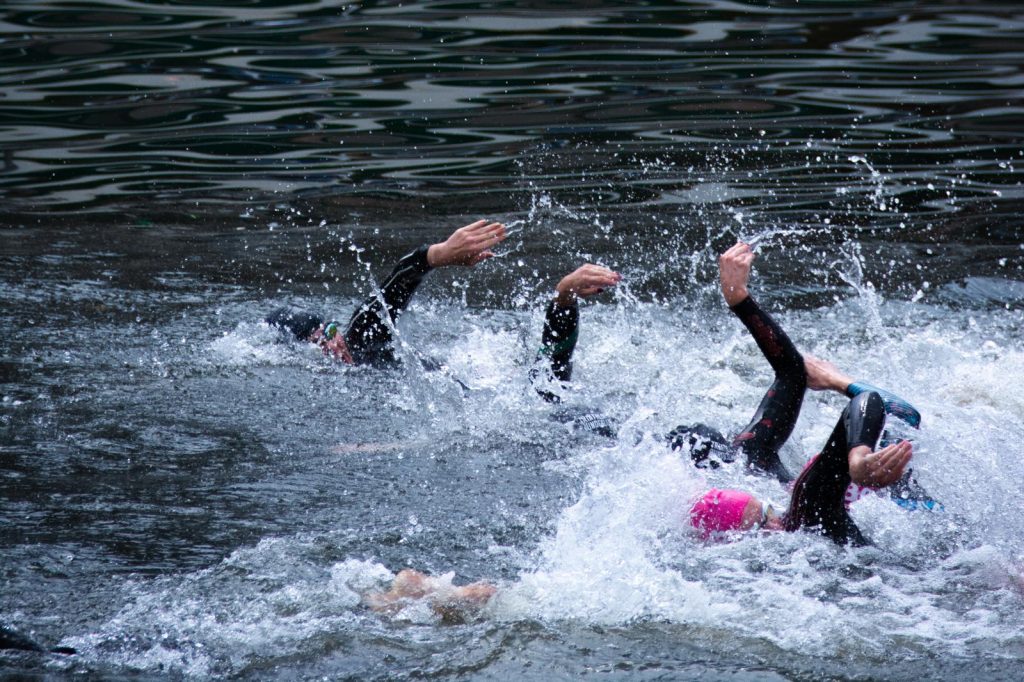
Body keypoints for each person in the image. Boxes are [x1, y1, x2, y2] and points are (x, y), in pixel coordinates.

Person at [266, 220, 506, 366]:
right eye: (318, 342)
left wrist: (436, 255)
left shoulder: (360, 345)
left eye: (328, 336)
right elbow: (274, 319)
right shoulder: (330, 370)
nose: (332, 349)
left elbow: (394, 286)